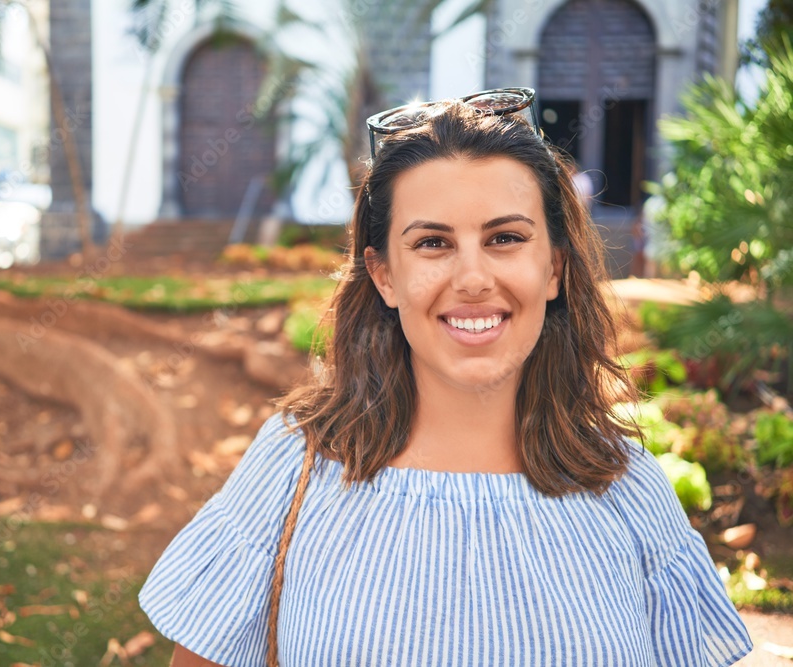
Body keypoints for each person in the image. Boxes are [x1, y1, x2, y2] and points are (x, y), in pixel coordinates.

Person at [138, 88, 754, 666]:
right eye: (433, 243)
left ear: (555, 269)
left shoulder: (629, 490)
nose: (473, 278)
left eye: (506, 238)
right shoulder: (293, 468)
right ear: (383, 275)